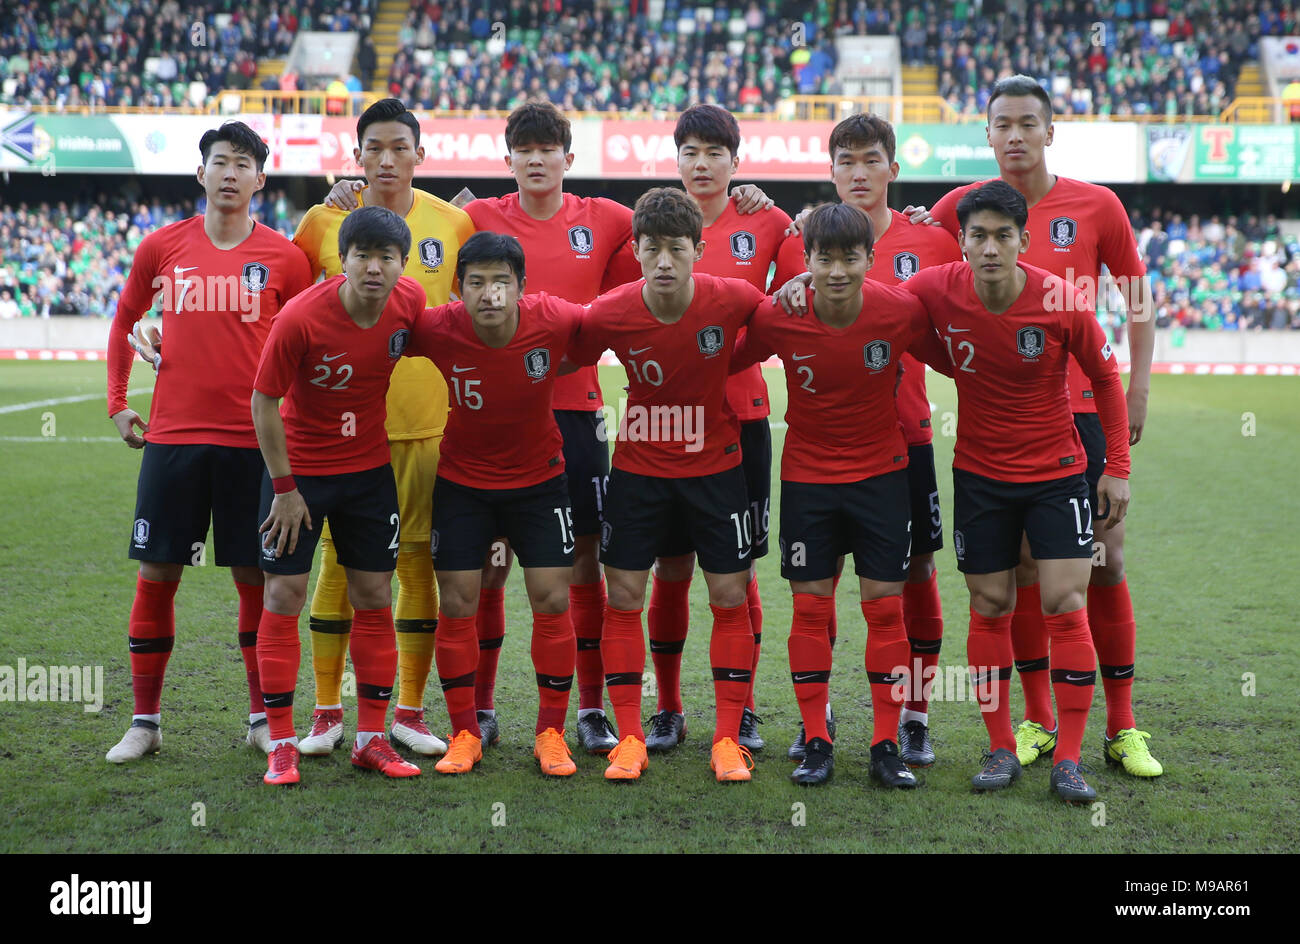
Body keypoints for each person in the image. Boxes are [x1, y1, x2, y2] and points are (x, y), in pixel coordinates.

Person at [915, 75, 1161, 778]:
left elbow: (1137, 300)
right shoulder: (957, 209)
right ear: (986, 134)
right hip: (997, 423)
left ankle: (1122, 727)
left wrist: (1137, 388)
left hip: (1082, 414)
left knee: (1101, 563)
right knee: (1012, 573)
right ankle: (1035, 721)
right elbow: (919, 286)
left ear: (1050, 131)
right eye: (1002, 124)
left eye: (1028, 122)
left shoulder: (1098, 205)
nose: (1015, 135)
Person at [104, 121, 312, 764]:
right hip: (173, 440)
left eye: (242, 163)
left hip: (254, 447)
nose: (229, 172)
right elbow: (123, 320)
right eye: (219, 161)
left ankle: (259, 718)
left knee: (256, 578)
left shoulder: (286, 257)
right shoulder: (162, 247)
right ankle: (145, 722)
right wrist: (117, 403)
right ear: (201, 174)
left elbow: (308, 348)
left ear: (259, 179)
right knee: (158, 573)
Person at [734, 202, 950, 787]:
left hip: (882, 480)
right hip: (808, 482)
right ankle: (818, 741)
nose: (835, 270)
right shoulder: (778, 315)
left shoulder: (900, 312)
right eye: (823, 258)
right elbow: (723, 355)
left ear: (870, 259)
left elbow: (958, 354)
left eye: (848, 258)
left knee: (884, 610)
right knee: (810, 610)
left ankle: (885, 745)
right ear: (805, 261)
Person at [775, 112, 964, 768]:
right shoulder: (802, 240)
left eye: (870, 160)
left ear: (893, 167)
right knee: (816, 583)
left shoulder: (933, 238)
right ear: (830, 171)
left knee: (915, 577)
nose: (858, 173)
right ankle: (818, 719)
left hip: (902, 440)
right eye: (845, 162)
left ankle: (911, 717)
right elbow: (769, 318)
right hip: (821, 449)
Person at [566, 187, 768, 783]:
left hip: (717, 469)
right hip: (638, 472)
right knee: (625, 596)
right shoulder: (613, 310)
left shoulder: (732, 297)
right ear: (635, 249)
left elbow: (778, 325)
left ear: (698, 250)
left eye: (675, 249)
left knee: (730, 597)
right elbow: (562, 348)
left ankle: (729, 739)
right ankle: (630, 737)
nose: (662, 261)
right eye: (650, 249)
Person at [292, 98, 473, 760]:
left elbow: (475, 310)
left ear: (420, 155)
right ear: (357, 153)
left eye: (401, 147)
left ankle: (408, 710)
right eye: (375, 147)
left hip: (429, 429)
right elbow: (282, 309)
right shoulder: (321, 221)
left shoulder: (453, 222)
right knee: (339, 567)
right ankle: (325, 709)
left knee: (418, 565)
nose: (388, 159)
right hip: (342, 436)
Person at [252, 206, 428, 786]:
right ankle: (281, 744)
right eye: (363, 256)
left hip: (369, 472)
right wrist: (284, 489)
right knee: (284, 593)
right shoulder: (301, 317)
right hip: (299, 476)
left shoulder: (409, 306)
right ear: (343, 259)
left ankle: (372, 739)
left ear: (404, 265)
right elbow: (264, 402)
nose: (374, 268)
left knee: (375, 592)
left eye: (387, 258)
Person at [407, 231, 594, 777]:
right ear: (459, 288)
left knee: (552, 601)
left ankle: (552, 734)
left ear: (522, 287)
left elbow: (613, 323)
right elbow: (372, 328)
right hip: (463, 485)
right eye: (477, 283)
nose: (490, 294)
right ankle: (465, 731)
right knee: (459, 602)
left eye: (501, 283)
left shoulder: (556, 319)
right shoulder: (437, 326)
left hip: (540, 482)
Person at [644, 104, 789, 755]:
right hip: (664, 426)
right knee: (670, 571)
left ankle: (746, 706)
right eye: (690, 152)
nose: (701, 164)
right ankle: (669, 709)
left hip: (743, 423)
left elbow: (804, 294)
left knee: (740, 574)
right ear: (676, 160)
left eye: (715, 153)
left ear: (736, 161)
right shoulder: (648, 227)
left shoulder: (768, 222)